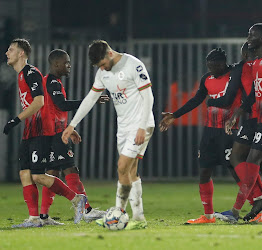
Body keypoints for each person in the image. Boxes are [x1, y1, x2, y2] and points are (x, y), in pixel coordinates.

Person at [62, 40, 155, 230]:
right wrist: (72, 124)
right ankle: (139, 218)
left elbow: (148, 96)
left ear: (110, 54)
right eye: (99, 67)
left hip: (141, 125)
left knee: (122, 166)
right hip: (123, 127)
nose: (102, 68)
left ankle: (115, 215)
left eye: (103, 64)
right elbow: (91, 98)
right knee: (130, 171)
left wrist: (141, 126)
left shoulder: (133, 65)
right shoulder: (102, 73)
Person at [159, 48, 256, 224]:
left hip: (230, 131)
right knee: (204, 171)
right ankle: (208, 215)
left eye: (214, 66)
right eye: (208, 66)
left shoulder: (234, 76)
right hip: (210, 131)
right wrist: (175, 114)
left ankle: (254, 206)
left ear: (222, 64)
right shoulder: (207, 79)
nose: (211, 70)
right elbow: (197, 99)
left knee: (236, 173)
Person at [208, 42, 262, 222]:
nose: (244, 55)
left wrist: (214, 102)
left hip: (260, 118)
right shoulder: (255, 65)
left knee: (245, 159)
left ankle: (260, 203)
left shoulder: (248, 66)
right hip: (259, 116)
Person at [3, 38, 86, 228]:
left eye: (11, 49)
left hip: (40, 130)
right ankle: (34, 218)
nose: (7, 53)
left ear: (21, 53)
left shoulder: (31, 73)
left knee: (37, 175)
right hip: (30, 130)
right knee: (25, 173)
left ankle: (76, 199)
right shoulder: (21, 75)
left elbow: (40, 102)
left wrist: (15, 120)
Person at [39, 49, 109, 225]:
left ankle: (43, 216)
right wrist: (89, 100)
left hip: (51, 133)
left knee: (52, 174)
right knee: (70, 170)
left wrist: (68, 128)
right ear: (56, 64)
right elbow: (61, 105)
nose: (69, 65)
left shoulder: (51, 82)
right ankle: (87, 211)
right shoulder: (53, 83)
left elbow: (52, 110)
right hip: (55, 135)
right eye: (66, 62)